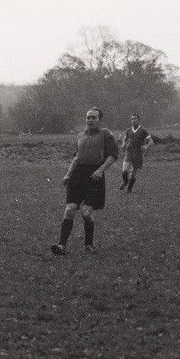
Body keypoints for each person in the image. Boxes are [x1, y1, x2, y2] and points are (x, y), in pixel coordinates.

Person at [51, 108, 120, 255]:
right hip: (77, 176)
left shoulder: (105, 134)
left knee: (86, 213)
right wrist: (68, 174)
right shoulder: (80, 136)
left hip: (94, 176)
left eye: (93, 118)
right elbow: (77, 157)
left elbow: (113, 156)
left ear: (99, 120)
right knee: (69, 209)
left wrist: (100, 170)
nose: (90, 120)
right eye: (88, 118)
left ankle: (89, 244)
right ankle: (61, 246)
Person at [119, 114, 153, 193]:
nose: (133, 120)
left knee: (133, 174)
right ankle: (125, 182)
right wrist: (123, 144)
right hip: (129, 152)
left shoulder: (143, 130)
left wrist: (146, 146)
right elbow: (125, 138)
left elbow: (151, 141)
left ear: (138, 120)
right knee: (124, 170)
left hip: (138, 153)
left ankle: (129, 190)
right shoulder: (128, 130)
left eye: (135, 119)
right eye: (132, 119)